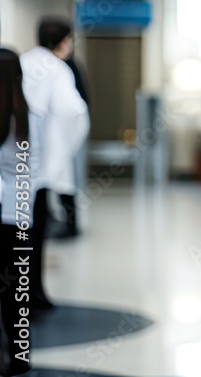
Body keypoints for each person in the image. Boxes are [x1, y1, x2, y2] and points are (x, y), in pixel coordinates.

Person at [18, 17, 89, 312]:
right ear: (63, 42)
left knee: (17, 234)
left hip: (14, 166)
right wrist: (63, 149)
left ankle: (19, 296)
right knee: (36, 233)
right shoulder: (58, 69)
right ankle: (34, 293)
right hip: (41, 168)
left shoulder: (21, 62)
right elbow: (74, 110)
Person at [0, 48, 31, 375]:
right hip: (17, 214)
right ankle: (20, 356)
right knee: (16, 293)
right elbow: (27, 172)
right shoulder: (26, 115)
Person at [51, 53, 88, 239]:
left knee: (66, 182)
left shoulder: (65, 67)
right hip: (59, 137)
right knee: (59, 182)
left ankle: (71, 225)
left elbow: (77, 108)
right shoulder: (57, 67)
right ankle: (62, 221)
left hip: (64, 136)